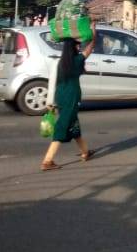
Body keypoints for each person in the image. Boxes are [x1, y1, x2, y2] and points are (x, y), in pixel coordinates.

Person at [41, 37, 97, 171]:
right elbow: (90, 48)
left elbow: (53, 81)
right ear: (72, 47)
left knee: (73, 124)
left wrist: (51, 101)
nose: (79, 48)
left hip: (60, 95)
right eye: (77, 46)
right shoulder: (76, 61)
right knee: (63, 125)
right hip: (71, 96)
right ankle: (47, 161)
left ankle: (85, 152)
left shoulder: (61, 62)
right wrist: (94, 33)